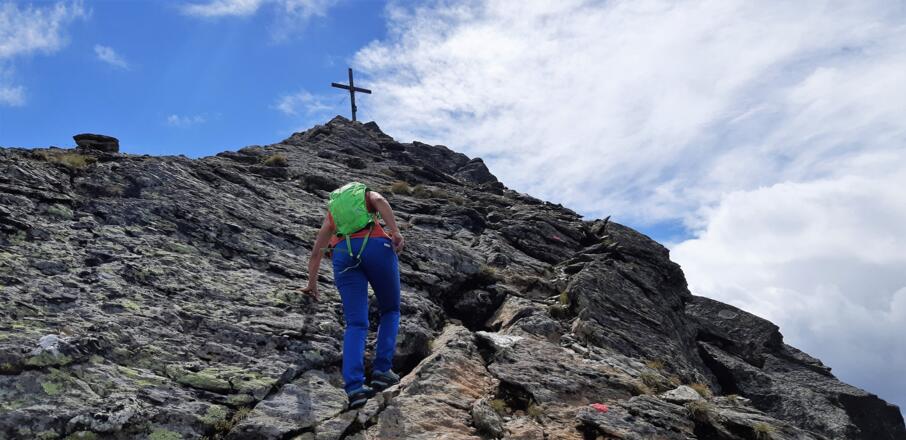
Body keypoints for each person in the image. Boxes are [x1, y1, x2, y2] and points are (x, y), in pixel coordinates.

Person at [300, 181, 405, 409]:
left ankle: (355, 387)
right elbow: (380, 201)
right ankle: (382, 371)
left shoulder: (333, 215)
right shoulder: (365, 195)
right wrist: (395, 232)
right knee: (390, 310)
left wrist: (312, 284)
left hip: (342, 255)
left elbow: (316, 252)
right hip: (376, 246)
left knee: (356, 323)